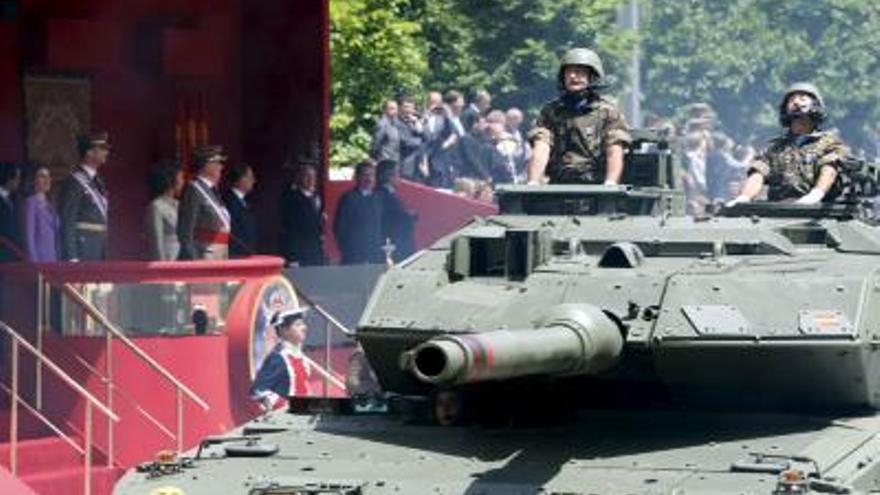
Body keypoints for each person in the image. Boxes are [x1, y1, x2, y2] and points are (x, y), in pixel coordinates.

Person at [728, 83, 848, 205]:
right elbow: (758, 173)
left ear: (815, 105)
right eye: (791, 100)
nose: (796, 102)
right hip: (780, 209)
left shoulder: (829, 143)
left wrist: (816, 194)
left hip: (817, 210)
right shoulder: (775, 147)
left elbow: (829, 169)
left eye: (802, 98)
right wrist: (745, 196)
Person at [526, 48, 632, 185]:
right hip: (559, 186)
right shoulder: (551, 111)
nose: (573, 76)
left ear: (592, 77)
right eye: (569, 72)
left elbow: (615, 150)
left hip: (596, 188)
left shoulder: (607, 112)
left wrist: (611, 182)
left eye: (580, 72)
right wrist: (533, 181)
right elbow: (541, 147)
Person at [58, 131, 111, 261]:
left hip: (98, 248)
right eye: (102, 149)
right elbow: (67, 222)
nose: (106, 152)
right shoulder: (74, 182)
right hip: (83, 249)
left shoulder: (98, 181)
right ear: (89, 152)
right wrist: (72, 257)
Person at [250, 307, 311, 410]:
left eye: (303, 324)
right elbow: (259, 390)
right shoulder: (279, 357)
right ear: (283, 330)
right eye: (298, 324)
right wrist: (286, 406)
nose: (304, 328)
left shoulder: (300, 356)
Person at [177, 145, 231, 260]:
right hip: (204, 254)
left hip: (221, 252)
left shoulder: (212, 190)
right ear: (206, 165)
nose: (221, 167)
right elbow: (185, 230)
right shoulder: (194, 189)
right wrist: (194, 259)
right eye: (217, 162)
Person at [333, 161, 384, 265]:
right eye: (365, 175)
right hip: (354, 254)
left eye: (372, 175)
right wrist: (347, 248)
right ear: (357, 177)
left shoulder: (379, 198)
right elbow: (339, 226)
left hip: (376, 254)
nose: (369, 179)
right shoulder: (349, 198)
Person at [279, 164, 327, 266]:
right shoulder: (291, 198)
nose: (310, 180)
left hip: (315, 250)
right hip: (299, 251)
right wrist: (293, 257)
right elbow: (289, 229)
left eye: (313, 177)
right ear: (299, 178)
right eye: (307, 176)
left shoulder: (316, 197)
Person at [376, 160, 417, 262]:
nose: (400, 177)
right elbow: (393, 219)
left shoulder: (388, 194)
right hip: (394, 245)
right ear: (389, 176)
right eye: (397, 173)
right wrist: (409, 215)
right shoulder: (383, 195)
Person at [145, 160, 184, 261]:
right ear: (171, 179)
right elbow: (156, 242)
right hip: (168, 259)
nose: (183, 181)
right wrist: (161, 268)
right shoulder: (156, 206)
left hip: (184, 259)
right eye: (181, 177)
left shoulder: (180, 204)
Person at [22, 165, 59, 262]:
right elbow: (29, 236)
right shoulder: (31, 203)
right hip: (40, 259)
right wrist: (35, 262)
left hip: (53, 258)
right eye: (42, 176)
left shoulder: (51, 203)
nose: (47, 180)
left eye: (49, 176)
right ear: (33, 180)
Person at [222, 162, 257, 257]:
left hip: (246, 253)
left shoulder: (244, 201)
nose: (253, 181)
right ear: (240, 179)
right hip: (237, 255)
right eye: (250, 177)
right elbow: (233, 232)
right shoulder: (229, 201)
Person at [0, 162, 22, 261]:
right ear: (9, 178)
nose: (19, 181)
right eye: (17, 178)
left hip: (15, 255)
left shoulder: (15, 199)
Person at [370, 99, 402, 164]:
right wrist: (375, 158)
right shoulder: (382, 124)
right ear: (385, 110)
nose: (395, 111)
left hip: (395, 161)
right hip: (384, 161)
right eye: (392, 108)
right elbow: (376, 144)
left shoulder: (396, 124)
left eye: (396, 109)